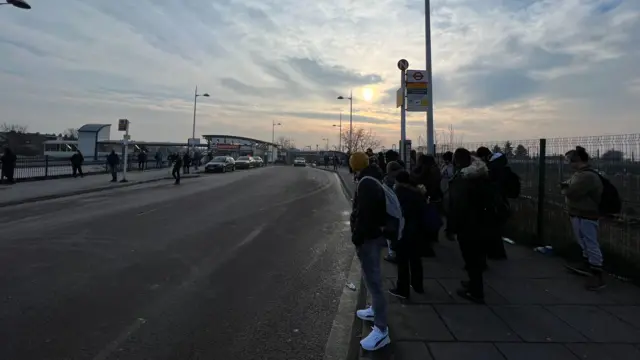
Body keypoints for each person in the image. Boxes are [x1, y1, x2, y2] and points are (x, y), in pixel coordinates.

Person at [350, 151, 390, 351]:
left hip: (369, 239)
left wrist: (357, 237)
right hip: (373, 236)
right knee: (370, 277)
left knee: (374, 283)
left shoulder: (366, 183)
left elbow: (364, 215)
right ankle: (374, 310)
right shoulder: (371, 178)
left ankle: (381, 331)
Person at [447, 148, 493, 303]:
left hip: (468, 224)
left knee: (471, 258)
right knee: (476, 257)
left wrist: (451, 227)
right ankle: (473, 283)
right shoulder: (481, 175)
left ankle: (476, 291)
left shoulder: (464, 180)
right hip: (482, 222)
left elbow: (458, 206)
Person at [562, 146, 605, 290]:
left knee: (590, 242)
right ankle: (587, 264)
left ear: (578, 160)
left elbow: (572, 191)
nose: (569, 164)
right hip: (579, 212)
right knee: (583, 240)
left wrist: (565, 188)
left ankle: (597, 273)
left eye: (570, 160)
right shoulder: (580, 174)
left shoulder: (586, 176)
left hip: (587, 213)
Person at [388, 171, 426, 299]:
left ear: (398, 181)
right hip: (418, 231)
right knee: (416, 259)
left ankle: (402, 289)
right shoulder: (418, 193)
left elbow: (397, 214)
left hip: (404, 231)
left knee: (402, 261)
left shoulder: (399, 194)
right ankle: (417, 285)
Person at [382, 161, 404, 263]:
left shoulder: (386, 181)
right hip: (397, 212)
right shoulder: (400, 180)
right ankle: (395, 252)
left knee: (392, 234)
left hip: (391, 212)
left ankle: (392, 253)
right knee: (397, 233)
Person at [440, 151, 456, 241]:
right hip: (444, 189)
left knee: (449, 211)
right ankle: (449, 229)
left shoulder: (453, 167)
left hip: (449, 190)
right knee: (446, 211)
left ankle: (450, 230)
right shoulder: (444, 166)